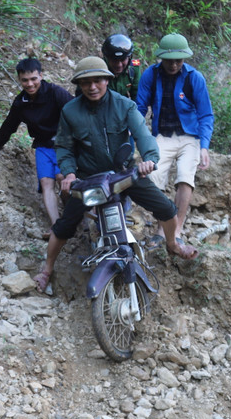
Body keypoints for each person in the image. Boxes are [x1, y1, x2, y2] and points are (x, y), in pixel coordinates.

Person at [32, 57, 197, 292]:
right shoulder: (70, 111)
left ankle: (172, 243)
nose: (92, 87)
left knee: (167, 210)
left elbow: (143, 135)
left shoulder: (124, 105)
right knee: (63, 227)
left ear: (107, 80)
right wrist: (68, 173)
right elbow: (64, 147)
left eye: (97, 80)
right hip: (88, 179)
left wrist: (149, 159)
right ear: (79, 85)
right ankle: (47, 269)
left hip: (123, 175)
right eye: (86, 82)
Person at [135, 33, 214, 249]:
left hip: (190, 136)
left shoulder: (194, 78)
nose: (174, 64)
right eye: (170, 60)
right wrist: (134, 134)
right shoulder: (150, 76)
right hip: (163, 135)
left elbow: (206, 115)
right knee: (154, 176)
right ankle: (163, 229)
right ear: (161, 58)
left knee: (185, 177)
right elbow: (139, 108)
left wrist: (204, 146)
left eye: (178, 60)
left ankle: (176, 230)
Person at [0, 58, 73, 229]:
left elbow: (76, 112)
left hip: (65, 143)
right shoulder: (20, 102)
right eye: (25, 80)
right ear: (19, 80)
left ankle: (73, 213)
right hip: (43, 146)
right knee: (47, 183)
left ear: (41, 76)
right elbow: (9, 125)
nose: (30, 84)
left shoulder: (55, 93)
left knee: (63, 178)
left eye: (33, 79)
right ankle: (57, 227)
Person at [102, 33, 141, 100]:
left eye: (123, 60)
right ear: (107, 58)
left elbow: (137, 95)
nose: (119, 65)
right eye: (114, 60)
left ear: (129, 58)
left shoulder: (134, 69)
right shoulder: (99, 69)